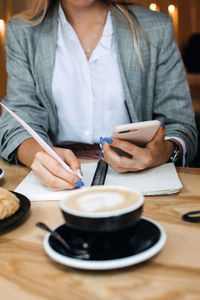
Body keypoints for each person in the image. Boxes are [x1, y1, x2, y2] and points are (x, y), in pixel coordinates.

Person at [0, 0, 197, 191]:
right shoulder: (23, 32)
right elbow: (19, 116)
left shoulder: (155, 29)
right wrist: (37, 155)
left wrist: (164, 152)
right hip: (59, 182)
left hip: (140, 179)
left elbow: (180, 124)